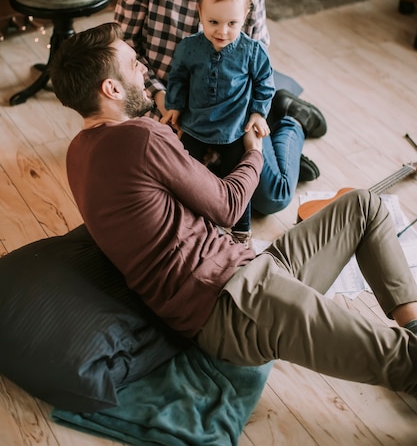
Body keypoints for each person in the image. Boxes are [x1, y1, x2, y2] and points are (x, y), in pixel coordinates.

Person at [50, 22, 417, 399]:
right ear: (110, 89)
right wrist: (253, 151)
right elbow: (228, 206)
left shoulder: (78, 150)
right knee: (405, 359)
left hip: (248, 271)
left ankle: (413, 322)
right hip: (232, 306)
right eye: (132, 64)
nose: (143, 68)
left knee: (363, 206)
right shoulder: (140, 137)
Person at [114, 0, 327, 217]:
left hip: (233, 111)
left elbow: (259, 59)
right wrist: (163, 99)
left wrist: (253, 115)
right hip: (167, 106)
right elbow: (122, 50)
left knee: (272, 199)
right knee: (174, 195)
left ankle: (291, 119)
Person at [162, 0, 275, 246]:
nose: (222, 31)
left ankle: (241, 231)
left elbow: (264, 83)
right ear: (200, 12)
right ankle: (185, 222)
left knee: (237, 180)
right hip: (195, 125)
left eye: (232, 23)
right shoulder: (189, 47)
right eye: (213, 22)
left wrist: (258, 113)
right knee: (182, 174)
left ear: (245, 16)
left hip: (235, 128)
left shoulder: (252, 51)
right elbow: (177, 77)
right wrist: (174, 106)